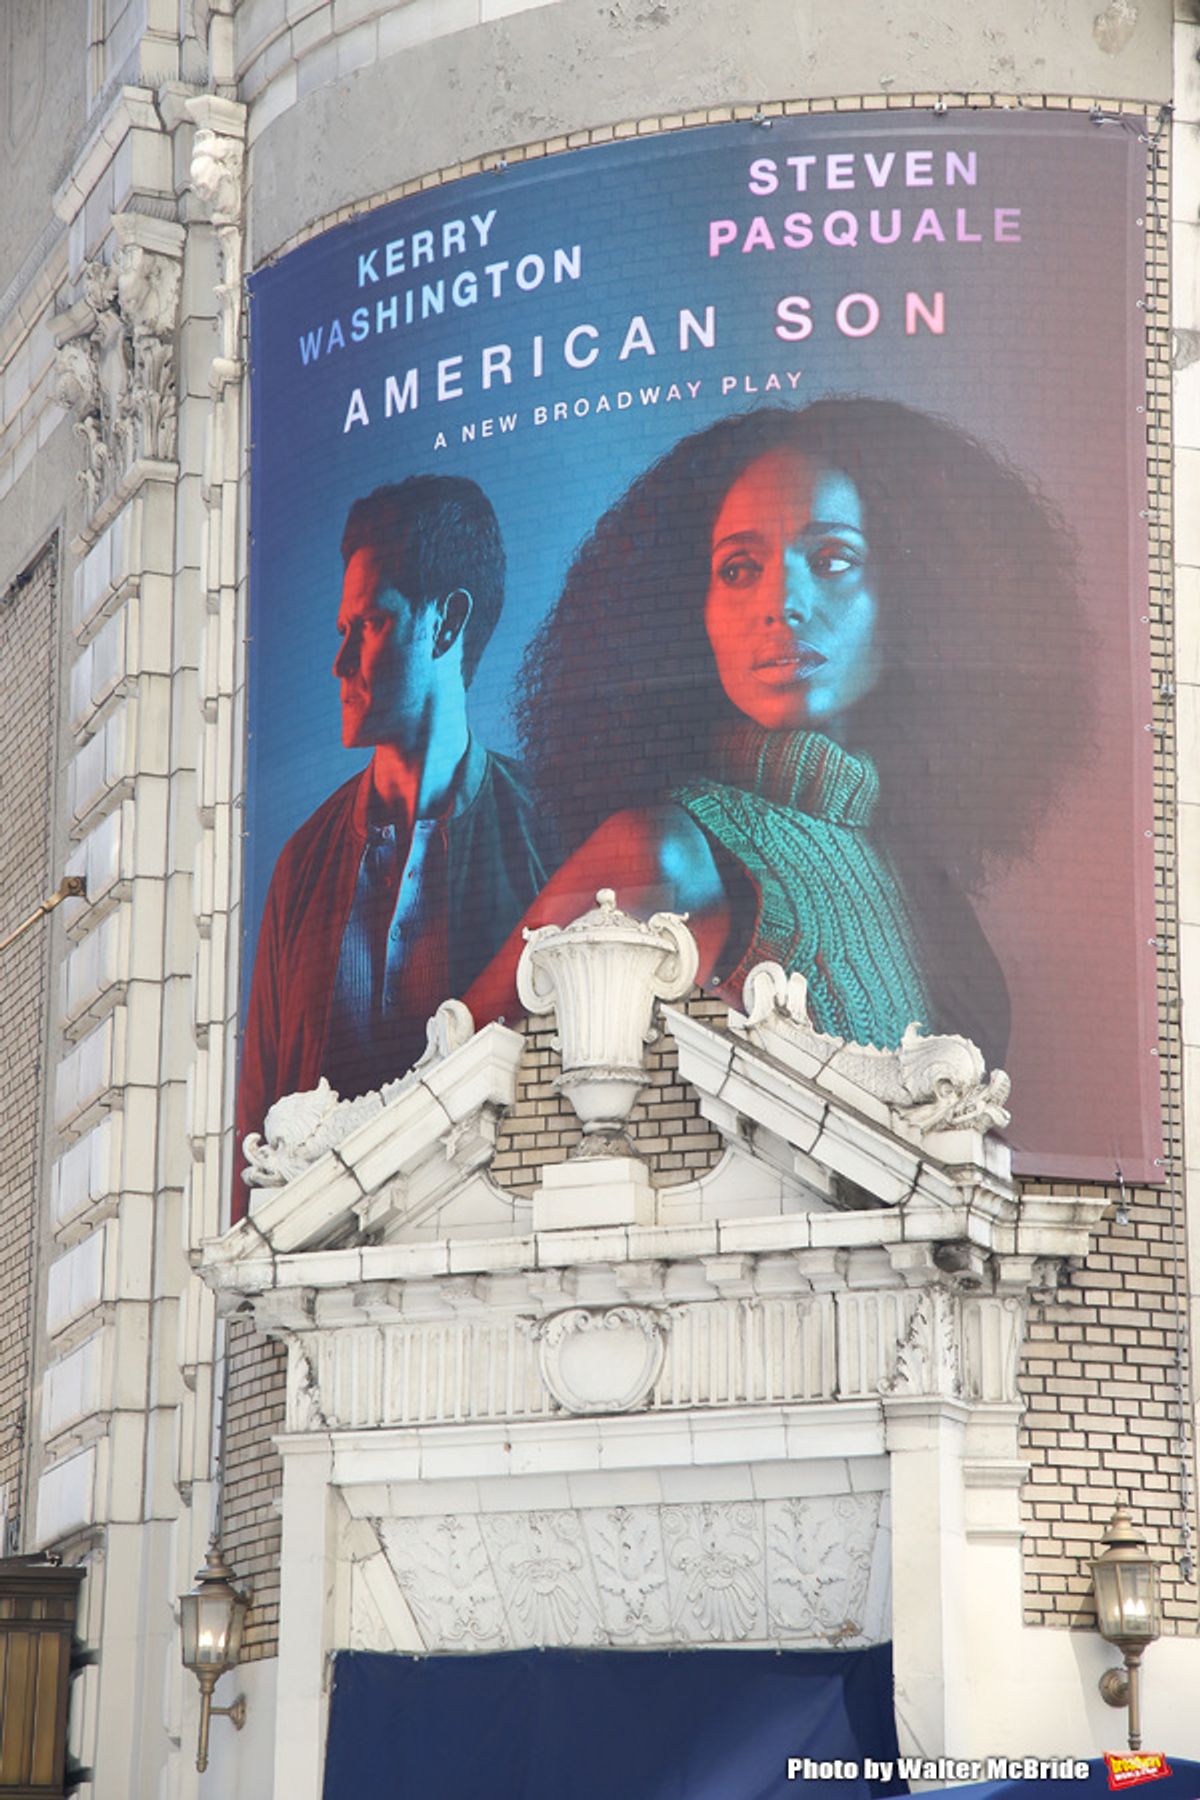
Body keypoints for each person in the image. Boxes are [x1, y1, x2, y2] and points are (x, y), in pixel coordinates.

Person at [465, 400, 1088, 1067]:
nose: (781, 603)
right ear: (689, 609)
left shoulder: (922, 884)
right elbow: (449, 1090)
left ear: (911, 594)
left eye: (831, 559)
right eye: (738, 569)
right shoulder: (662, 853)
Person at [235, 474, 553, 1217]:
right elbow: (254, 1130)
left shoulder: (547, 829)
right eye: (342, 631)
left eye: (370, 625)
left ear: (447, 624)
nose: (339, 665)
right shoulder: (303, 861)